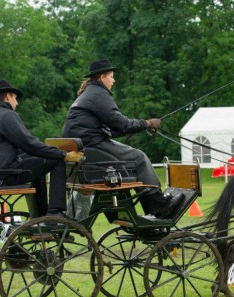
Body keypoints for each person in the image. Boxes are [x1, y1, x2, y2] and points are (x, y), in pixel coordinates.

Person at [62, 59, 183, 218]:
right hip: (92, 145)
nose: (113, 80)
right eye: (111, 76)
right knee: (139, 158)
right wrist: (147, 123)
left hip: (86, 146)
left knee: (133, 158)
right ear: (101, 77)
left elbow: (111, 128)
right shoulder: (98, 94)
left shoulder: (88, 94)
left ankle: (153, 205)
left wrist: (143, 126)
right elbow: (122, 124)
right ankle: (160, 206)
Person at [0, 79, 84, 218]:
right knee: (56, 161)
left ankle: (39, 214)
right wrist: (63, 155)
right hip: (6, 174)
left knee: (39, 162)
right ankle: (55, 213)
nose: (17, 103)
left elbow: (22, 148)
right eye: (15, 98)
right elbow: (30, 144)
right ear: (8, 96)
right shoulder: (7, 115)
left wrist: (47, 152)